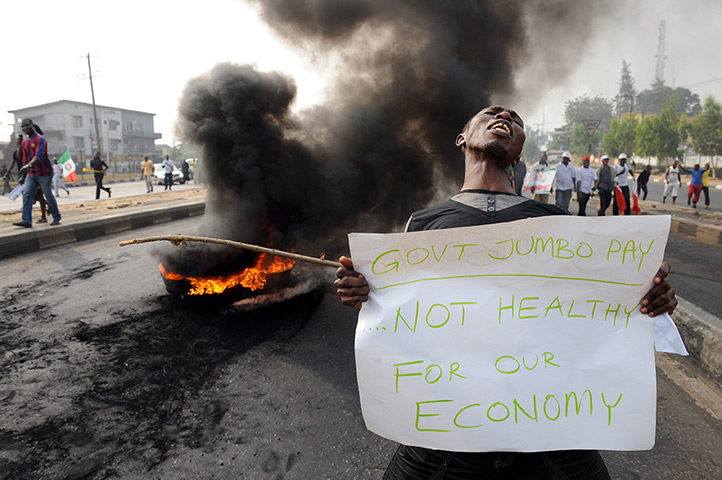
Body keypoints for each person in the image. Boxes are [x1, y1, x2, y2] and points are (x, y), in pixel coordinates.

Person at [335, 105, 679, 480]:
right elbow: (402, 313)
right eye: (491, 114)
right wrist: (363, 293)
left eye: (514, 119)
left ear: (519, 152)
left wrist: (651, 297)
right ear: (461, 139)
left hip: (552, 438)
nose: (504, 117)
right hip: (445, 438)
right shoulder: (422, 225)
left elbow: (601, 310)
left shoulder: (562, 225)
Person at [14, 120, 61, 227]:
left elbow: (38, 156)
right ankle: (26, 220)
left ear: (32, 126)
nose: (25, 128)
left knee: (48, 195)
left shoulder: (40, 139)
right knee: (27, 195)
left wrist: (27, 166)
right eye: (23, 126)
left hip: (44, 173)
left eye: (26, 125)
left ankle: (56, 217)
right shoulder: (25, 142)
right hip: (31, 174)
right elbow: (23, 159)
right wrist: (23, 175)